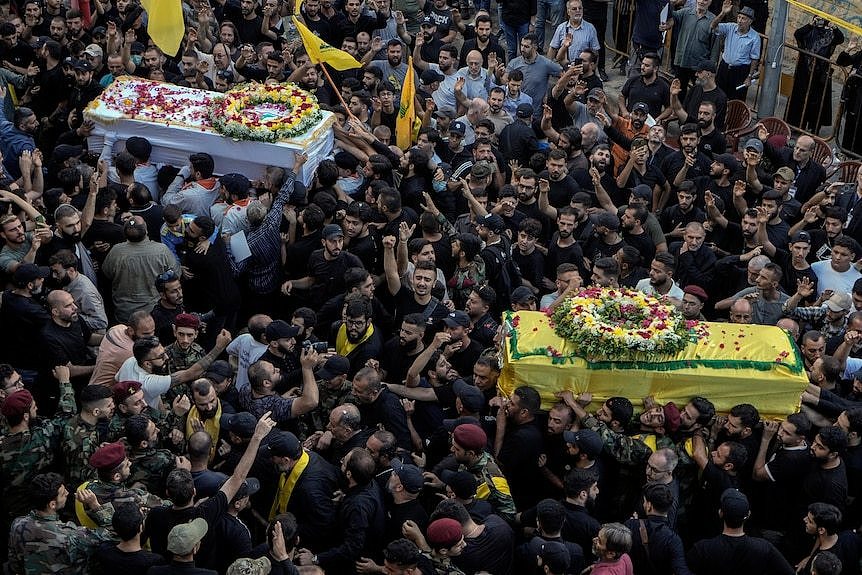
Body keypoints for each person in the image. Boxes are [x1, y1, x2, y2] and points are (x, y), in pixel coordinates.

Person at [786, 18, 844, 133]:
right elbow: (798, 33)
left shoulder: (830, 35)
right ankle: (797, 125)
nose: (821, 22)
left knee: (817, 102)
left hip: (820, 74)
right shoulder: (809, 31)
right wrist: (810, 25)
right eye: (818, 20)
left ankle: (814, 127)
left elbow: (840, 39)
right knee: (800, 98)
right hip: (804, 72)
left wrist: (834, 27)